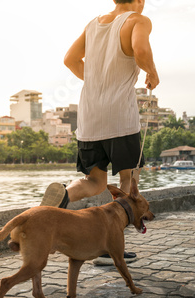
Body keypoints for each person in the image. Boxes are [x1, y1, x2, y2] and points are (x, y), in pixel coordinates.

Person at [40, 0, 159, 265]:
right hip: (120, 118)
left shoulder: (93, 24)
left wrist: (96, 78)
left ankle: (64, 194)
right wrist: (152, 71)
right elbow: (140, 49)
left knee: (95, 182)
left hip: (90, 116)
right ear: (139, 1)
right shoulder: (138, 21)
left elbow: (70, 60)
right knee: (128, 181)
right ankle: (110, 250)